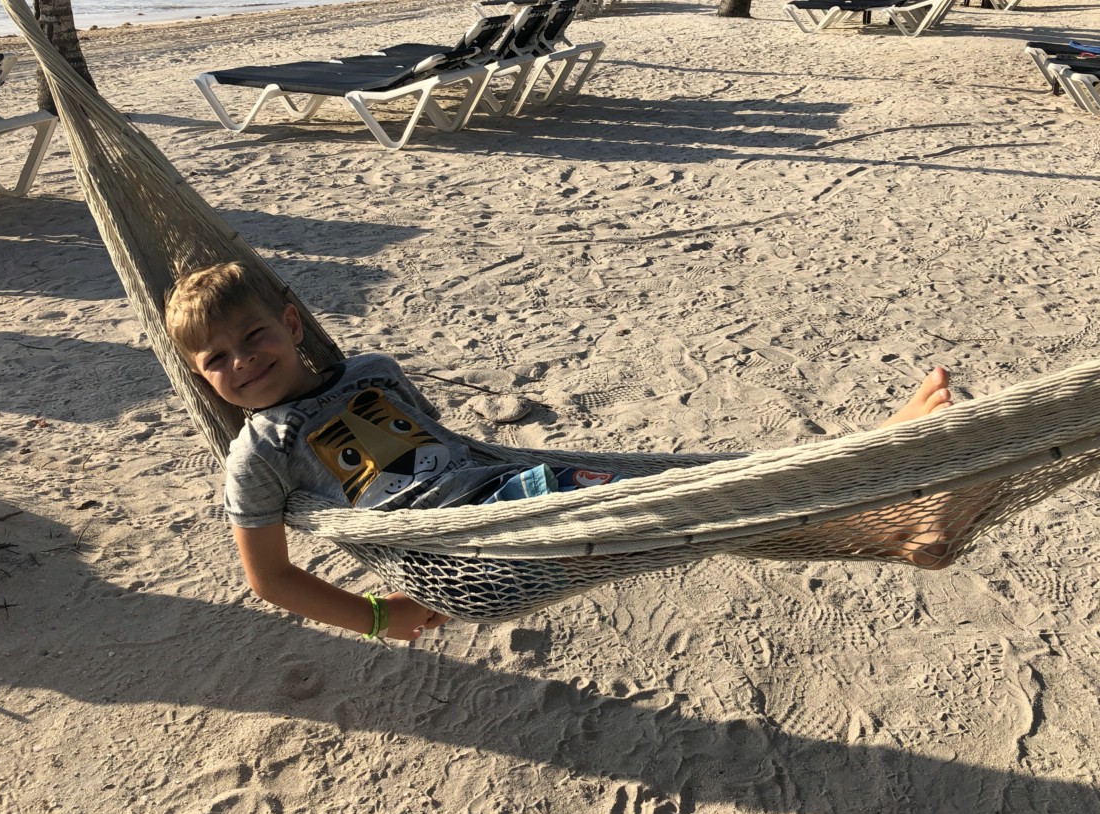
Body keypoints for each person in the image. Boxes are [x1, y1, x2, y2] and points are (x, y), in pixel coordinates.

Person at [165, 261, 966, 643]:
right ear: (204, 380)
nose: (241, 361)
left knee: (699, 498)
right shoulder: (256, 454)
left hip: (519, 494)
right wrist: (380, 615)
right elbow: (269, 578)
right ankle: (883, 482)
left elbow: (448, 448)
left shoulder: (373, 372)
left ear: (291, 325)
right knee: (692, 508)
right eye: (217, 359)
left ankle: (890, 518)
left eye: (253, 335)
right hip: (473, 551)